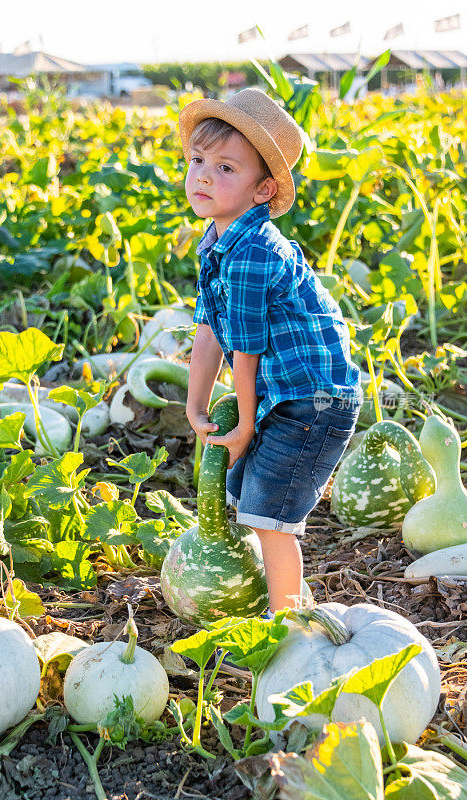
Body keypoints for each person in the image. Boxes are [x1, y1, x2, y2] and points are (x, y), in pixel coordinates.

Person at [180, 88, 363, 614]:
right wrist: (194, 404)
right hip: (285, 395)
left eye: (225, 167)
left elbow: (246, 350)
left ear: (263, 190)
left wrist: (242, 423)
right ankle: (288, 597)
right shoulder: (217, 244)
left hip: (313, 401)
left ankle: (289, 624)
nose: (204, 176)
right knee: (245, 496)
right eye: (197, 161)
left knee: (267, 515)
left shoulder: (255, 251)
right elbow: (211, 332)